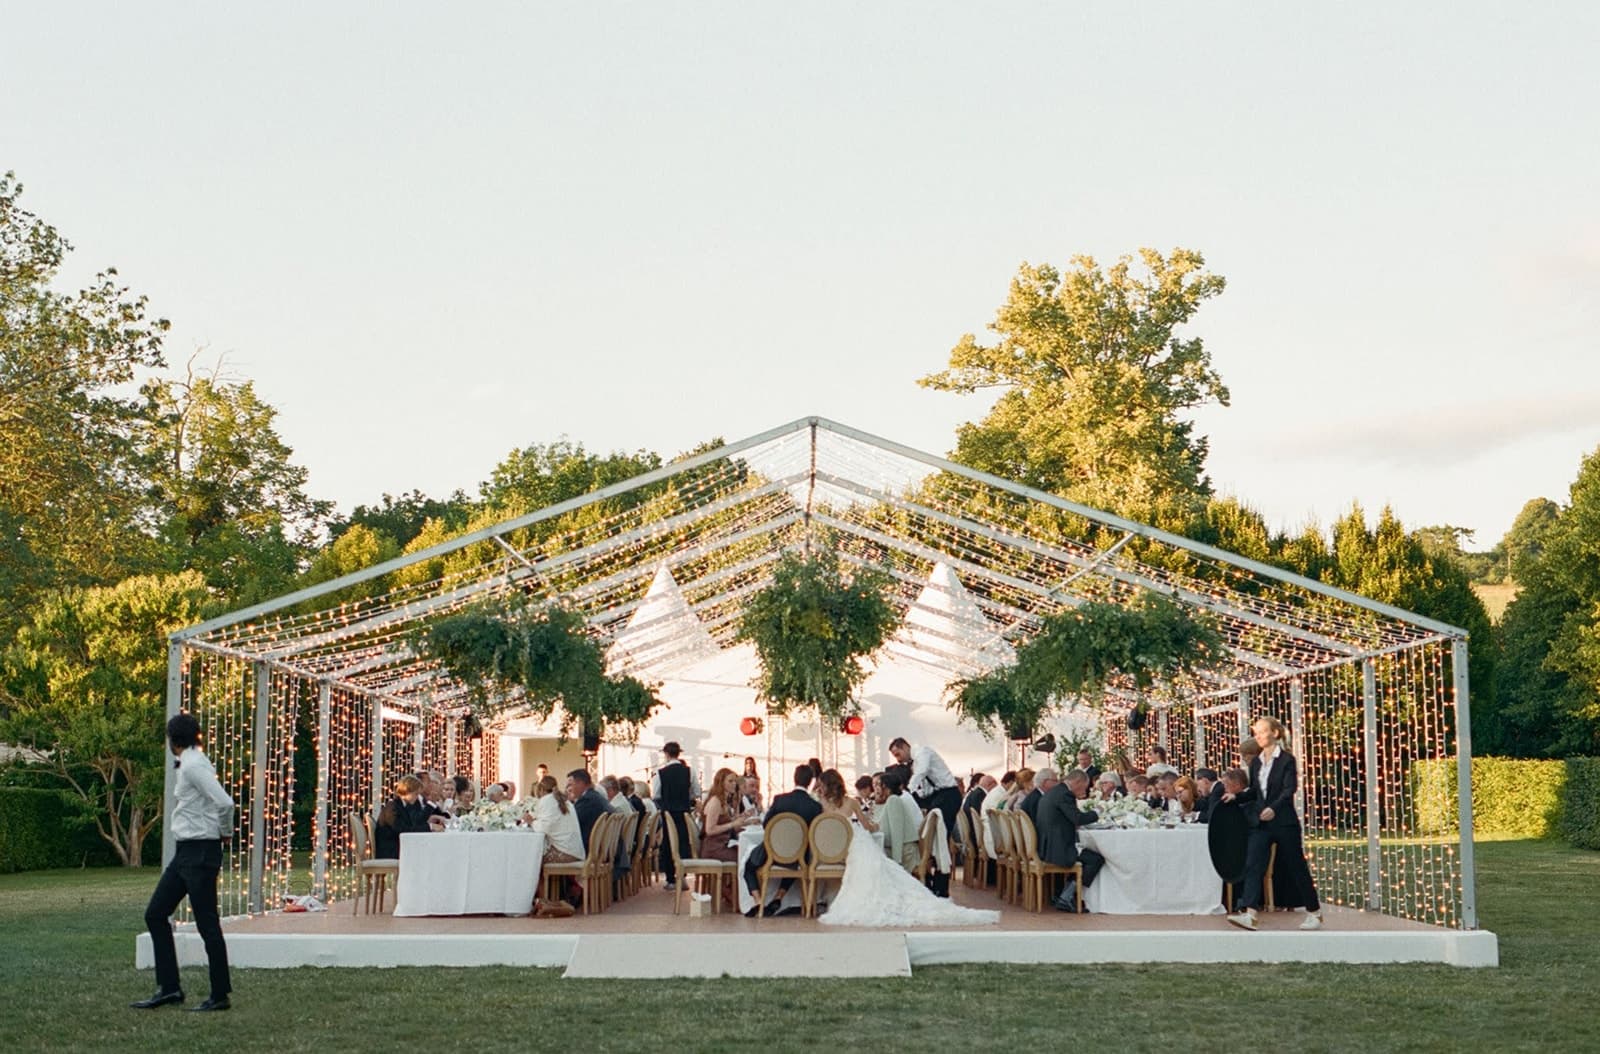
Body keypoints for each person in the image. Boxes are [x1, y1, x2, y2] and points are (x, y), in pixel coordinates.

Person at [134, 713, 235, 1013]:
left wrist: (225, 832)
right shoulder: (192, 761)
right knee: (156, 914)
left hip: (200, 851)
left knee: (207, 923)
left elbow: (225, 802)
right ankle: (170, 988)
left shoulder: (192, 766)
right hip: (187, 852)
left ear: (172, 740)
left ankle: (219, 995)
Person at [820, 767, 998, 928]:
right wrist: (873, 825)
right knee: (876, 864)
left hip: (829, 851)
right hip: (854, 845)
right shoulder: (851, 802)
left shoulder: (823, 805)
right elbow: (867, 827)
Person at [1225, 717, 1324, 932]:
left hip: (1284, 822)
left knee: (1296, 865)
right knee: (1253, 862)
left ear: (1275, 734)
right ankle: (1250, 913)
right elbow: (1255, 792)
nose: (1258, 736)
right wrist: (1237, 797)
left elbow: (1289, 789)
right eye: (1256, 732)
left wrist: (1274, 808)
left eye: (1262, 732)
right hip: (1262, 823)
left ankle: (1314, 911)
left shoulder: (1287, 760)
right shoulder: (1257, 762)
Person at [743, 764, 823, 916]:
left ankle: (759, 902)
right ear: (810, 782)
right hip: (799, 854)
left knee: (749, 865)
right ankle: (778, 897)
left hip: (772, 850)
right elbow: (815, 833)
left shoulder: (780, 800)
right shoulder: (815, 806)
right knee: (793, 865)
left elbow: (767, 825)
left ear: (794, 778)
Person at [1038, 768, 1106, 912]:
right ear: (1077, 782)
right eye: (1084, 787)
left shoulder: (1053, 792)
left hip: (1048, 845)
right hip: (1059, 848)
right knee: (1096, 859)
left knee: (1090, 856)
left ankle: (1064, 895)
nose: (1084, 790)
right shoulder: (1065, 795)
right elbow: (1078, 818)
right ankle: (1067, 897)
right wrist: (1098, 811)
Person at [889, 736, 961, 837]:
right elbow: (925, 787)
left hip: (948, 794)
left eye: (898, 754)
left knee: (939, 834)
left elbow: (922, 771)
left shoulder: (922, 752)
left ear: (905, 747)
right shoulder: (914, 763)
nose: (898, 759)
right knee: (934, 832)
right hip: (938, 795)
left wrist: (908, 790)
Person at [652, 741, 698, 890]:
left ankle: (671, 879)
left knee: (668, 843)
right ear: (679, 753)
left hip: (668, 812)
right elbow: (695, 792)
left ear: (666, 754)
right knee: (683, 843)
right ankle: (683, 875)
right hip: (684, 812)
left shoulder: (661, 773)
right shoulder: (689, 771)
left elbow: (657, 794)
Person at [375, 775, 443, 858]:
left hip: (402, 847)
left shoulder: (404, 805)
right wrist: (430, 827)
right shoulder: (392, 807)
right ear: (407, 790)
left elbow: (415, 822)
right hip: (392, 851)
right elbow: (403, 830)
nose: (417, 797)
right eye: (416, 794)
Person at [699, 767, 756, 864]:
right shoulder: (715, 802)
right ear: (721, 783)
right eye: (730, 781)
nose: (734, 784)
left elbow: (728, 824)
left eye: (735, 781)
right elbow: (710, 830)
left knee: (752, 854)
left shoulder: (723, 801)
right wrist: (733, 824)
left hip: (723, 844)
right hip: (715, 848)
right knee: (749, 858)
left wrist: (743, 818)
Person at [873, 769, 923, 874]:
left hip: (904, 853)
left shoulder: (894, 800)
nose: (875, 788)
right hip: (897, 850)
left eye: (879, 785)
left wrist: (896, 863)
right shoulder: (889, 802)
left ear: (887, 788)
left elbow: (897, 833)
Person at [528, 775, 583, 863]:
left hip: (565, 852)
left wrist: (531, 821)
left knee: (531, 857)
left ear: (541, 790)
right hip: (574, 850)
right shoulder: (564, 800)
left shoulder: (547, 800)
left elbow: (544, 828)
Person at [566, 769, 611, 851]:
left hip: (591, 850)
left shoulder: (587, 801)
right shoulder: (595, 797)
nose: (569, 789)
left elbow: (569, 822)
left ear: (580, 783)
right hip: (604, 848)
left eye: (570, 785)